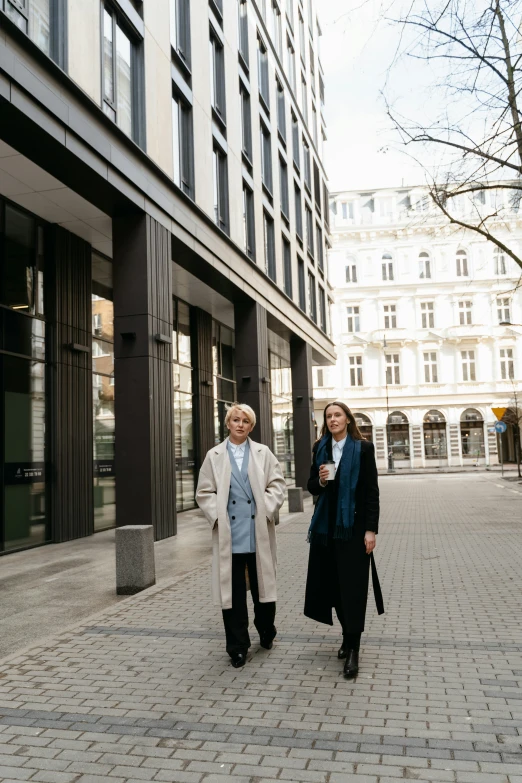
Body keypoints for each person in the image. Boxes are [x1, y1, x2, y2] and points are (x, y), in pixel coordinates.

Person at [196, 403, 286, 668]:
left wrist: (266, 507)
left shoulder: (263, 453)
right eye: (235, 420)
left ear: (251, 426)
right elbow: (204, 492)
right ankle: (237, 647)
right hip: (230, 536)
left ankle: (267, 630)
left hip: (257, 532)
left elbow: (277, 484)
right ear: (227, 423)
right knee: (232, 595)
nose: (240, 425)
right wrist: (218, 516)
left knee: (263, 591)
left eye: (245, 421)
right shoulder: (214, 455)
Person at [304, 401, 384, 678]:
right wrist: (322, 482)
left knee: (353, 589)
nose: (333, 420)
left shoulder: (362, 449)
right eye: (328, 416)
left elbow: (371, 492)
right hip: (326, 529)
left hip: (354, 528)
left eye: (338, 415)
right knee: (334, 588)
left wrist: (370, 530)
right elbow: (310, 485)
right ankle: (345, 635)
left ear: (348, 419)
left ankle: (353, 648)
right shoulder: (320, 448)